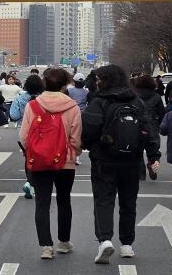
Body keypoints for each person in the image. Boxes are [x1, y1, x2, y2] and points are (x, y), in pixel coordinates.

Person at [81, 64, 159, 262]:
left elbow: (88, 129)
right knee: (128, 203)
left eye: (99, 79)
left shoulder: (99, 102)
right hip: (132, 160)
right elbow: (148, 130)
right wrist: (153, 155)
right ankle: (127, 244)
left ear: (105, 81)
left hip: (104, 160)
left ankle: (105, 240)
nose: (97, 82)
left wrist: (91, 146)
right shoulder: (136, 101)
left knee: (104, 200)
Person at [21, 67, 82, 260]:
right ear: (65, 85)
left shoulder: (33, 106)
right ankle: (63, 242)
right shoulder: (72, 106)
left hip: (39, 160)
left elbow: (24, 137)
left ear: (44, 83)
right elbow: (76, 138)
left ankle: (46, 247)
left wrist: (34, 151)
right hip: (65, 162)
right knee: (64, 201)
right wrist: (74, 152)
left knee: (42, 203)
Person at [10, 73, 46, 199]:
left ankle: (30, 182)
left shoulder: (19, 99)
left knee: (28, 157)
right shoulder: (44, 99)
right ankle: (33, 183)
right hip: (42, 132)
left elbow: (13, 116)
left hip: (23, 131)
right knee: (41, 158)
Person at [130, 74, 166, 179]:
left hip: (137, 126)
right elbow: (162, 113)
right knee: (154, 150)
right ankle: (153, 164)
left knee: (137, 151)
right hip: (152, 126)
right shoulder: (156, 97)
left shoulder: (133, 96)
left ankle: (141, 173)